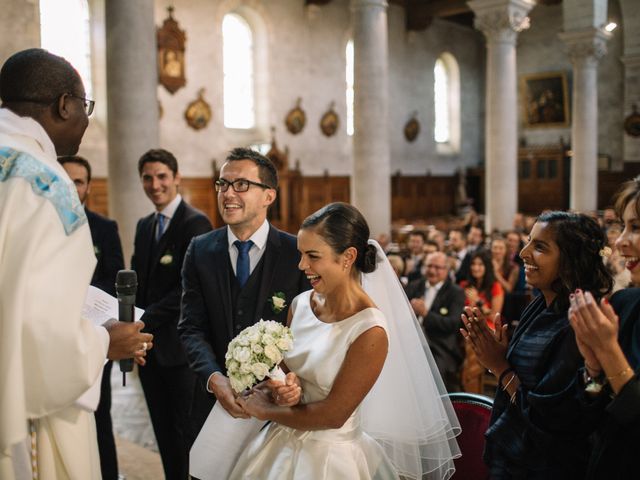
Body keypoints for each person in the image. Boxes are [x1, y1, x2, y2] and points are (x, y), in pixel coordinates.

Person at [0, 48, 152, 479]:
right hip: (21, 419)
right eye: (85, 107)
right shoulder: (46, 183)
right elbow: (43, 335)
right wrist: (104, 342)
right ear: (63, 104)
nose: (86, 120)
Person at [228, 202, 460, 479]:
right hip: (280, 444)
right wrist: (281, 390)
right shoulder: (300, 305)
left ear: (348, 256)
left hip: (330, 458)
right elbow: (288, 373)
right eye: (301, 254)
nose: (302, 265)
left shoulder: (370, 330)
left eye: (313, 256)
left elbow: (333, 415)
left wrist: (266, 411)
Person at [461, 211, 613, 478]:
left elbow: (552, 419)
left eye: (540, 247)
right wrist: (500, 355)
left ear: (570, 260)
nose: (523, 253)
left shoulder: (577, 320)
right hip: (516, 460)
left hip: (548, 467)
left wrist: (500, 367)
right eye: (529, 241)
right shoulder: (543, 304)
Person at [178, 148, 309, 442]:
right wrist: (215, 379)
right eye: (222, 184)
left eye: (241, 185)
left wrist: (288, 382)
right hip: (211, 404)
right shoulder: (199, 250)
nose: (227, 193)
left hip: (277, 410)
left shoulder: (296, 253)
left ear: (269, 196)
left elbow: (309, 330)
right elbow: (191, 327)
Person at [130, 148, 212, 479]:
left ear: (176, 178)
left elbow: (188, 290)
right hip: (148, 349)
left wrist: (142, 318)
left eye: (162, 176)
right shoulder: (144, 225)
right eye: (147, 178)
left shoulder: (195, 223)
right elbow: (139, 280)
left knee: (186, 433)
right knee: (163, 433)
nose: (155, 184)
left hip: (180, 351)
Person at [568, 177, 640, 479]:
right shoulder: (625, 304)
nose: (620, 241)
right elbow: (588, 414)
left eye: (636, 228)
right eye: (623, 227)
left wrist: (609, 352)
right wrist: (594, 370)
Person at [60, 155, 124, 480]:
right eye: (66, 179)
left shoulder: (104, 227)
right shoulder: (45, 222)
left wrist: (84, 295)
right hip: (54, 332)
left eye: (79, 181)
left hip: (94, 330)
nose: (73, 187)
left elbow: (114, 277)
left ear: (87, 186)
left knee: (99, 411)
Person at [406, 252, 466, 391]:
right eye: (429, 266)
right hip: (411, 342)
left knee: (433, 373)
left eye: (437, 267)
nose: (432, 271)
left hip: (439, 346)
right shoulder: (414, 286)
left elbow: (452, 324)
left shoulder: (455, 292)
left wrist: (426, 314)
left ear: (446, 270)